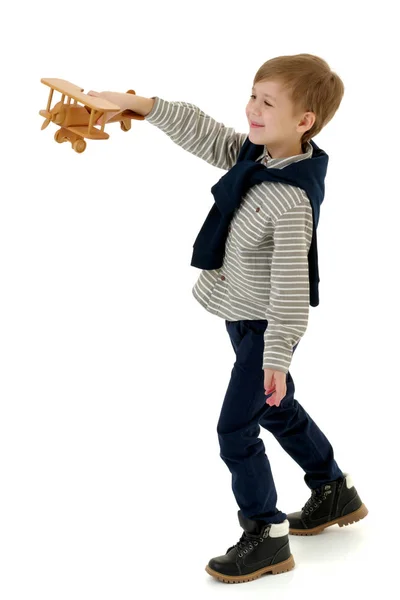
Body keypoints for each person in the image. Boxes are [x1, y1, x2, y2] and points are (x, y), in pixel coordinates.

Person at [88, 53, 368, 585]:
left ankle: (266, 535)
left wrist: (278, 356)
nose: (251, 109)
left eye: (267, 102)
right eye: (252, 96)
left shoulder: (292, 198)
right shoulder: (257, 156)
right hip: (240, 314)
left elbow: (292, 287)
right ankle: (333, 488)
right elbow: (202, 130)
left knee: (235, 431)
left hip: (266, 327)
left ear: (304, 121)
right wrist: (139, 106)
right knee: (277, 410)